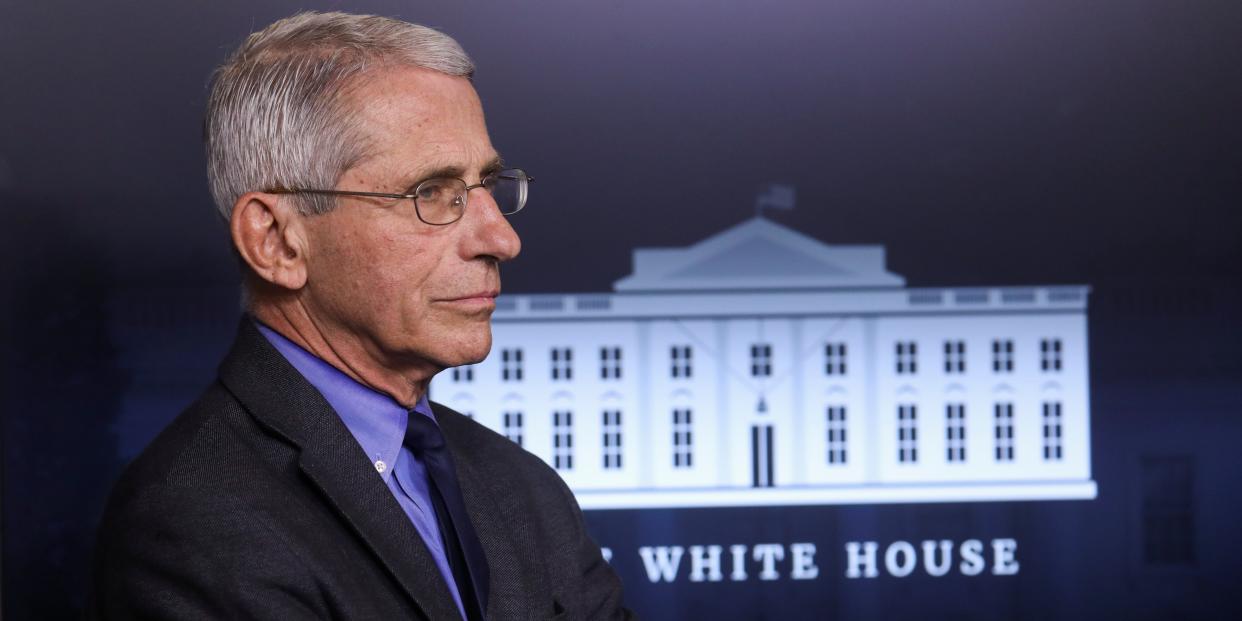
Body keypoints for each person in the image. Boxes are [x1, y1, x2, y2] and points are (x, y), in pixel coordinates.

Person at [90, 11, 632, 620]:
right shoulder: (191, 522)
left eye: (487, 184)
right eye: (432, 192)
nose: (501, 239)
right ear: (276, 240)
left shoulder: (525, 488)